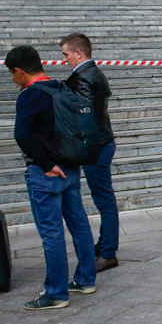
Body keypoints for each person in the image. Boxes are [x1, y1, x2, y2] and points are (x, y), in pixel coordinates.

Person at [6, 46, 97, 310]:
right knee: (78, 223)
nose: (14, 79)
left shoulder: (29, 95)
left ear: (20, 71)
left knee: (52, 233)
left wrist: (45, 164)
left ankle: (56, 293)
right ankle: (85, 280)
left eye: (13, 75)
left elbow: (23, 135)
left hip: (46, 172)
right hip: (69, 166)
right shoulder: (60, 87)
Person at [60, 33, 119, 273]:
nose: (65, 59)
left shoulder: (86, 76)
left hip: (96, 145)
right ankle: (105, 245)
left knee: (104, 200)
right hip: (99, 142)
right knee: (104, 198)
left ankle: (108, 253)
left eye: (66, 54)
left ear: (78, 53)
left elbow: (80, 112)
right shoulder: (88, 74)